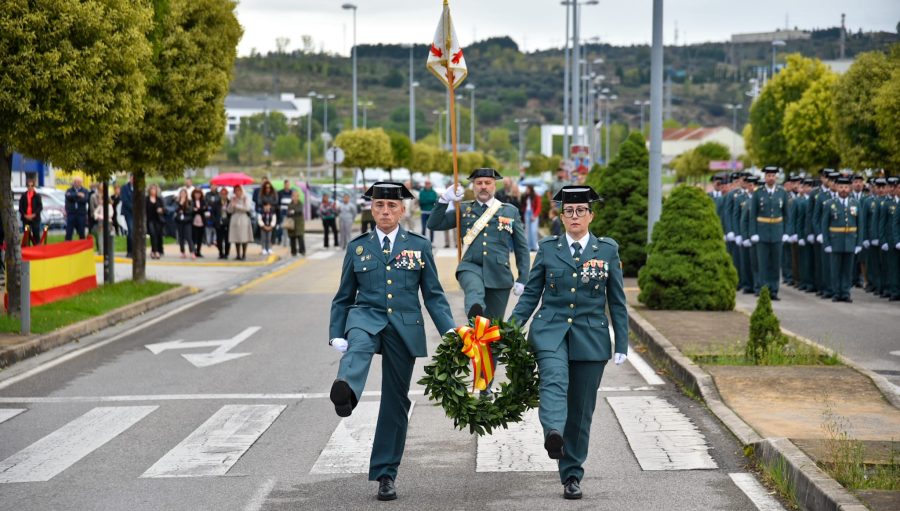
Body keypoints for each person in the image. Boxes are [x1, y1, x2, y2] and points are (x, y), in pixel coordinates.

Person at [328, 182, 455, 502]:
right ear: (371, 209)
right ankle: (346, 392)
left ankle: (386, 473)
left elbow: (434, 297)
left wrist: (450, 331)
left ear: (403, 210)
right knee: (357, 347)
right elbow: (343, 297)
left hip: (403, 325)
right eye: (379, 205)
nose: (385, 211)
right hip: (365, 317)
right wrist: (336, 333)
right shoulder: (357, 247)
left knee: (395, 400)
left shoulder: (420, 246)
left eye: (391, 206)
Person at [509, 185, 628, 500]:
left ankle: (571, 475)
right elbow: (532, 294)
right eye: (569, 211)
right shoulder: (549, 248)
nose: (574, 216)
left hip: (591, 336)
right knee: (553, 380)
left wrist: (622, 344)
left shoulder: (607, 250)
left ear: (591, 215)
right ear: (560, 216)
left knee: (581, 410)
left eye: (581, 211)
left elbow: (617, 301)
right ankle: (552, 432)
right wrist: (510, 329)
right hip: (550, 330)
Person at [427, 168, 530, 322]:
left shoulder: (509, 211)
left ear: (494, 185)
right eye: (479, 183)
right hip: (470, 266)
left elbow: (521, 247)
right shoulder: (462, 209)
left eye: (487, 183)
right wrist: (443, 200)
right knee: (474, 292)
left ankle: (484, 331)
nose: (483, 186)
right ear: (473, 186)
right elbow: (433, 224)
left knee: (494, 326)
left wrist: (523, 277)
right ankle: (475, 317)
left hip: (499, 274)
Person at [749, 166, 790, 300]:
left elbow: (786, 215)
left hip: (777, 232)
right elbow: (753, 215)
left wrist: (786, 232)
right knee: (763, 263)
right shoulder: (758, 193)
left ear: (776, 177)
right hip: (762, 232)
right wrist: (753, 232)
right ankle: (764, 290)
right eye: (768, 176)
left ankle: (774, 290)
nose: (771, 178)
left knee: (775, 263)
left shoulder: (782, 192)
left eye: (773, 175)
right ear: (765, 177)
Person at [822, 176, 863, 303]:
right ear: (837, 188)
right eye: (841, 187)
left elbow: (860, 225)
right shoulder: (830, 204)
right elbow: (825, 225)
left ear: (849, 188)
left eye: (846, 187)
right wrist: (827, 243)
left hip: (850, 240)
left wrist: (859, 243)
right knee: (835, 269)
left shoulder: (855, 204)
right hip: (835, 241)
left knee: (847, 269)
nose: (843, 189)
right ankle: (836, 293)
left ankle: (845, 292)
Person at [227, 185, 253, 260]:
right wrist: (232, 204)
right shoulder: (233, 199)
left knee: (244, 236)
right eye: (236, 190)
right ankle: (238, 254)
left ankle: (244, 254)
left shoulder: (245, 198)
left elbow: (247, 208)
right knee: (236, 237)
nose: (238, 192)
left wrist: (237, 206)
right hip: (235, 218)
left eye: (239, 190)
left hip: (243, 218)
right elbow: (229, 210)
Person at [18, 178, 42, 246]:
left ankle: (37, 248)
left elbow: (40, 207)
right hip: (26, 218)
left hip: (35, 218)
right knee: (26, 235)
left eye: (31, 186)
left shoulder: (37, 196)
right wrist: (25, 215)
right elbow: (20, 207)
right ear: (27, 186)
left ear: (33, 186)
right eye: (28, 186)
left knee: (36, 233)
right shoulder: (23, 196)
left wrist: (33, 215)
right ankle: (27, 249)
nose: (30, 187)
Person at [146, 184, 166, 259]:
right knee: (153, 235)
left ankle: (155, 250)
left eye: (154, 189)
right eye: (152, 189)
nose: (153, 191)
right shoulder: (147, 199)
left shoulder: (159, 199)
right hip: (150, 220)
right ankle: (155, 251)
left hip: (158, 220)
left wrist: (161, 210)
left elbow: (164, 209)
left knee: (158, 235)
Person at [91, 187, 114, 255]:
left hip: (108, 223)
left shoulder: (109, 206)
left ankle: (108, 251)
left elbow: (110, 215)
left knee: (107, 237)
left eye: (101, 199)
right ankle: (101, 251)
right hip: (100, 223)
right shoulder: (100, 206)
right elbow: (95, 213)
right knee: (100, 237)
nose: (100, 201)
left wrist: (100, 216)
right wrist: (97, 216)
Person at [520, 184, 542, 252]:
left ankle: (534, 246)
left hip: (533, 213)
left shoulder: (536, 196)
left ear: (531, 189)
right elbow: (523, 205)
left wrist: (535, 215)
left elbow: (539, 207)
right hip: (527, 213)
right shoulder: (525, 196)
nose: (526, 190)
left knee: (533, 230)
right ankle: (529, 247)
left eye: (527, 189)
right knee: (527, 231)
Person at [285, 189, 305, 256]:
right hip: (292, 224)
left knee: (300, 238)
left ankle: (302, 251)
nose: (295, 197)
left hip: (299, 223)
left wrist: (292, 212)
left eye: (296, 196)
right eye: (293, 196)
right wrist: (292, 212)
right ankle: (293, 252)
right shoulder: (290, 204)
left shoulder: (300, 203)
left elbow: (299, 211)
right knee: (292, 238)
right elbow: (288, 213)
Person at [189, 188, 207, 258]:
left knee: (200, 237)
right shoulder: (191, 201)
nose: (197, 195)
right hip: (194, 221)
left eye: (199, 193)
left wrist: (198, 210)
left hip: (201, 221)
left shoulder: (203, 201)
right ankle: (194, 250)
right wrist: (198, 210)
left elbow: (205, 209)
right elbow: (191, 211)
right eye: (196, 193)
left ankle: (199, 251)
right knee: (194, 237)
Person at [120, 175, 134, 257]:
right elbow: (124, 200)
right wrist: (133, 208)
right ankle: (130, 251)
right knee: (131, 231)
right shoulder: (125, 188)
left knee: (136, 232)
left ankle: (136, 250)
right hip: (128, 213)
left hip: (137, 214)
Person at [277, 180, 294, 245]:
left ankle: (290, 242)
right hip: (283, 212)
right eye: (286, 184)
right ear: (284, 185)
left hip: (290, 213)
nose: (287, 186)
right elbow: (278, 203)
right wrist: (280, 209)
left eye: (288, 184)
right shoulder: (280, 192)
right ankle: (281, 241)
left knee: (290, 227)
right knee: (282, 227)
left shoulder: (291, 192)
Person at [215, 187, 231, 259]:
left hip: (227, 222)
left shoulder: (229, 202)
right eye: (222, 194)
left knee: (227, 239)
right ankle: (221, 253)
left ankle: (226, 253)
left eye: (225, 194)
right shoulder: (217, 203)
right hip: (219, 222)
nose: (223, 195)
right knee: (219, 239)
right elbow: (213, 213)